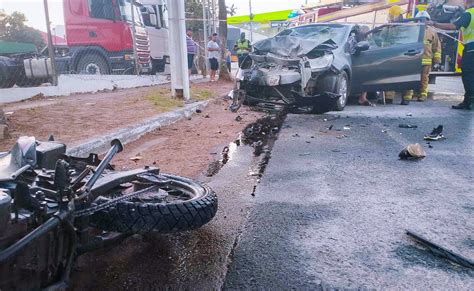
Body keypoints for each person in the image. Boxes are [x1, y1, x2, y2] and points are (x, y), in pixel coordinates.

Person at [429, 0, 474, 110]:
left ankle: (470, 100)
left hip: (471, 49)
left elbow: (453, 26)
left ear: (466, 2)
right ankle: (468, 100)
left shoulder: (469, 13)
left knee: (468, 75)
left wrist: (434, 24)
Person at [383, 5, 414, 105]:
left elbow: (381, 38)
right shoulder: (408, 26)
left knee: (392, 76)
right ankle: (404, 98)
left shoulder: (391, 27)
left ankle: (391, 98)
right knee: (404, 76)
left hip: (396, 55)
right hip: (406, 55)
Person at [414, 11, 442, 101]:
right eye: (421, 20)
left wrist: (437, 61)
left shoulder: (432, 31)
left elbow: (436, 47)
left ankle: (423, 95)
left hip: (426, 59)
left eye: (425, 20)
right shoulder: (413, 29)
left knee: (424, 78)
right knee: (412, 77)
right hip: (413, 59)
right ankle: (411, 94)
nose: (423, 21)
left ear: (428, 20)